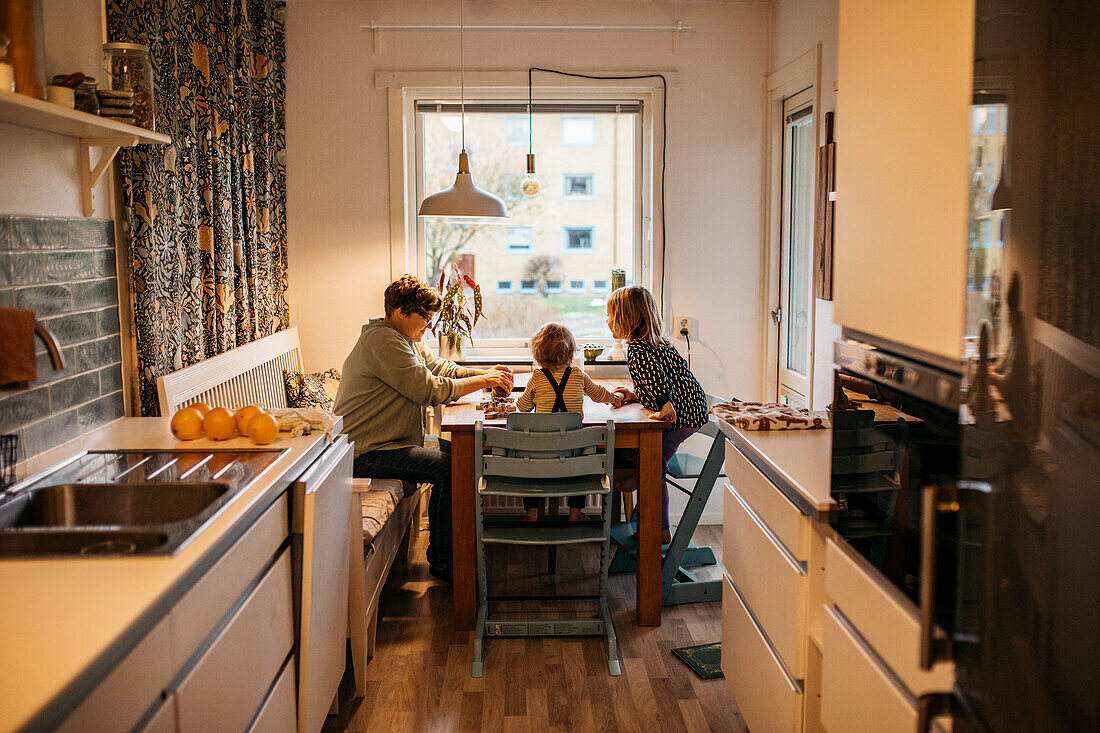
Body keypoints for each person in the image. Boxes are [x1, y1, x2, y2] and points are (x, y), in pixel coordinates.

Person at [334, 275, 513, 583]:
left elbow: (443, 368)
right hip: (366, 450)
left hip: (396, 441)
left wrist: (486, 372)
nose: (429, 325)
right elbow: (428, 389)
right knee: (449, 468)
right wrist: (484, 381)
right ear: (401, 312)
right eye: (425, 318)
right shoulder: (382, 341)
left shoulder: (405, 339)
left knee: (462, 454)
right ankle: (445, 562)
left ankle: (461, 544)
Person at [606, 286, 708, 543]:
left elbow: (661, 383)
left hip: (678, 416)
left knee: (651, 468)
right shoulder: (658, 343)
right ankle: (650, 522)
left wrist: (666, 405)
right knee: (648, 465)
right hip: (693, 409)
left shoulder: (637, 349)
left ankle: (658, 530)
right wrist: (637, 395)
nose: (607, 320)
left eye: (611, 315)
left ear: (626, 319)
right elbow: (662, 378)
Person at [515, 322, 622, 522]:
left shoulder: (536, 378)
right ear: (572, 354)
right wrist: (614, 398)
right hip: (572, 455)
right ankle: (575, 513)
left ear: (537, 355)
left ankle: (531, 513)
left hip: (541, 454)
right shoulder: (579, 376)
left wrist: (524, 399)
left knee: (525, 463)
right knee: (583, 465)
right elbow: (599, 394)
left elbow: (522, 407)